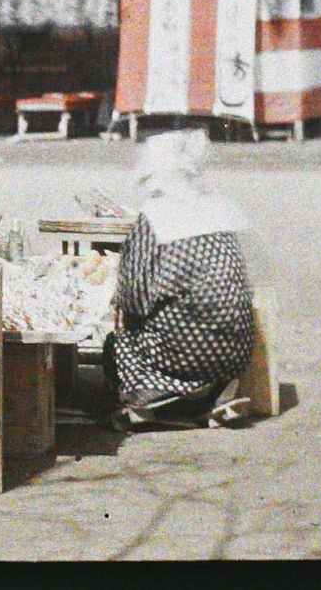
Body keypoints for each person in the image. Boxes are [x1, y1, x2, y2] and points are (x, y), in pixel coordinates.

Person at [104, 129, 255, 431]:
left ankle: (142, 403)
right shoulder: (218, 210)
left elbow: (134, 297)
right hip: (235, 352)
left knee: (116, 343)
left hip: (185, 352)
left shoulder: (154, 218)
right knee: (189, 327)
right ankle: (210, 398)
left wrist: (118, 299)